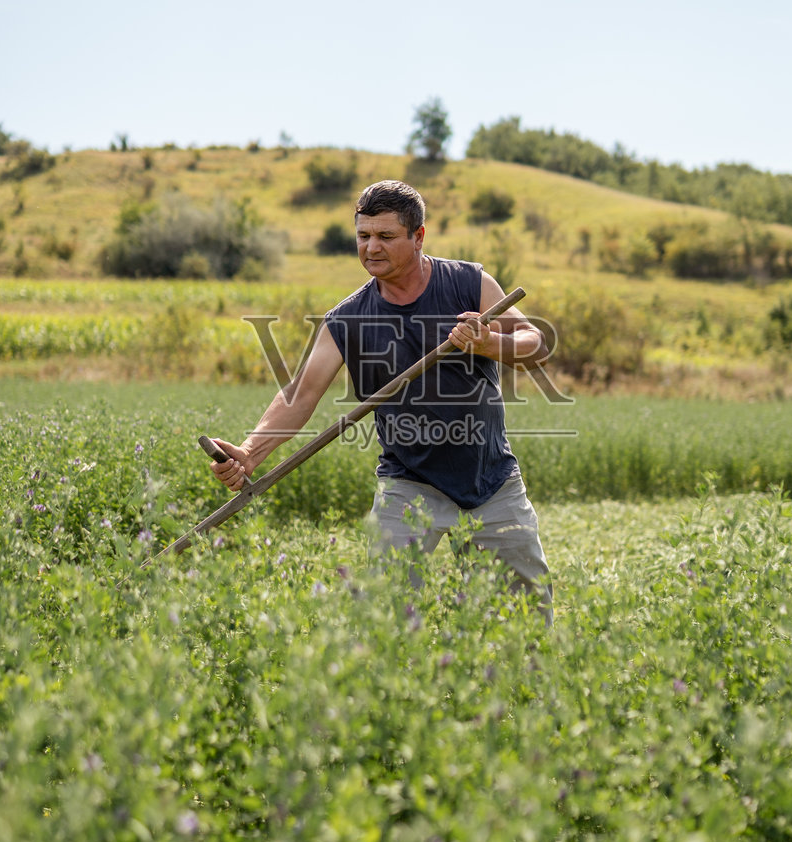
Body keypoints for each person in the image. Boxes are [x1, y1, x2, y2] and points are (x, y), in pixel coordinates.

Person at [207, 178, 553, 621]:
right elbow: (301, 392)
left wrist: (490, 345)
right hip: (407, 484)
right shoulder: (347, 319)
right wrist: (251, 452)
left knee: (525, 620)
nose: (371, 247)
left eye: (386, 236)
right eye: (363, 236)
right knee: (384, 621)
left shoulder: (469, 283)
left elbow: (535, 342)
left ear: (418, 236)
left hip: (491, 481)